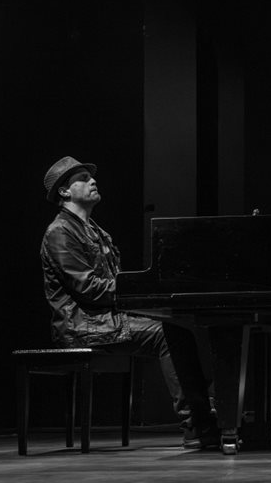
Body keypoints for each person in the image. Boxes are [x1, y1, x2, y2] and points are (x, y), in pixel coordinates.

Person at [40, 156, 218, 449]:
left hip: (106, 318)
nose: (93, 181)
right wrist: (137, 290)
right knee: (167, 333)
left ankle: (206, 413)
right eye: (82, 178)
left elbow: (110, 284)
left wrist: (142, 295)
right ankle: (196, 426)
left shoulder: (98, 232)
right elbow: (88, 288)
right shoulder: (59, 232)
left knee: (185, 327)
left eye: (91, 176)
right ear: (64, 191)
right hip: (82, 325)